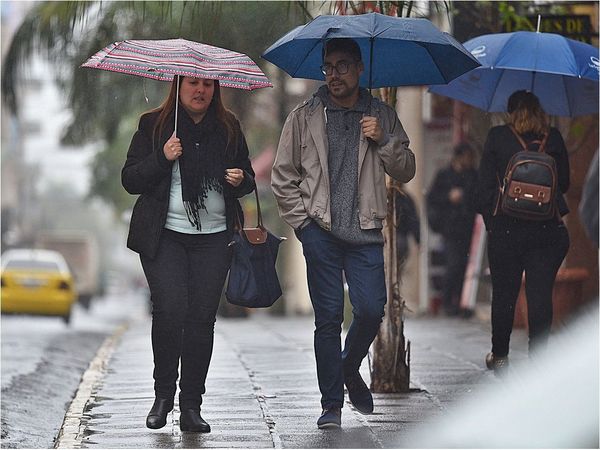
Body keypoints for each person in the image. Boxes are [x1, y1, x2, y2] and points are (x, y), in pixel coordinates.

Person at [271, 38, 416, 429]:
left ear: (359, 68)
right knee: (329, 319)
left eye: (342, 66)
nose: (334, 75)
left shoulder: (381, 115)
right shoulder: (304, 116)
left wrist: (383, 140)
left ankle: (349, 367)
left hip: (366, 232)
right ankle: (331, 404)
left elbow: (406, 169)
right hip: (321, 233)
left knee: (371, 310)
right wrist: (303, 225)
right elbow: (282, 177)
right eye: (328, 67)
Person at [121, 75, 255, 432]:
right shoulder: (155, 125)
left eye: (208, 85)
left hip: (213, 239)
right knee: (170, 310)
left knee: (200, 320)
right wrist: (163, 157)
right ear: (178, 87)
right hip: (164, 237)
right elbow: (131, 179)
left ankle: (191, 405)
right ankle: (162, 396)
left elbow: (250, 179)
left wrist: (241, 179)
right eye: (193, 83)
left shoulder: (228, 127)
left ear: (216, 90)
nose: (201, 91)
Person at [476, 90, 570, 372]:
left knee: (504, 293)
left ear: (510, 112)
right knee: (540, 295)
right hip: (547, 232)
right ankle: (538, 360)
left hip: (506, 230)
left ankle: (501, 356)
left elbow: (482, 190)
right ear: (539, 110)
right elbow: (563, 183)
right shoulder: (552, 137)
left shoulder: (498, 137)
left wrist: (494, 223)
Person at [426, 143, 478, 316]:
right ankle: (448, 302)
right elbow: (432, 198)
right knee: (453, 264)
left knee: (466, 266)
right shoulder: (444, 175)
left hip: (469, 228)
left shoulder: (473, 175)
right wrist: (449, 197)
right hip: (450, 228)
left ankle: (462, 303)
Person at [394, 186, 421, 270]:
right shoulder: (406, 198)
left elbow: (413, 220)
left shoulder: (405, 198)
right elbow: (413, 220)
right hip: (401, 236)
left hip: (400, 235)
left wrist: (418, 239)